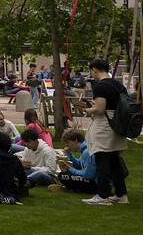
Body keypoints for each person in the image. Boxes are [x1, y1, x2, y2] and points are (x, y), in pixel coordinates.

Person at [75, 58, 130, 205]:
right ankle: (121, 194)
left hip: (104, 125)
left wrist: (86, 109)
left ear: (94, 70)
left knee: (102, 160)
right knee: (114, 161)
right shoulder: (118, 85)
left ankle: (102, 195)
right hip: (117, 124)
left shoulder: (100, 86)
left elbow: (100, 109)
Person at [54, 128, 98, 195]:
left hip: (96, 184)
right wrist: (69, 155)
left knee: (62, 176)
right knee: (68, 173)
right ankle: (74, 187)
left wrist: (70, 169)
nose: (66, 145)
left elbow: (89, 175)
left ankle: (74, 188)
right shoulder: (85, 149)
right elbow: (79, 164)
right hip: (95, 181)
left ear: (75, 140)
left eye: (67, 142)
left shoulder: (86, 152)